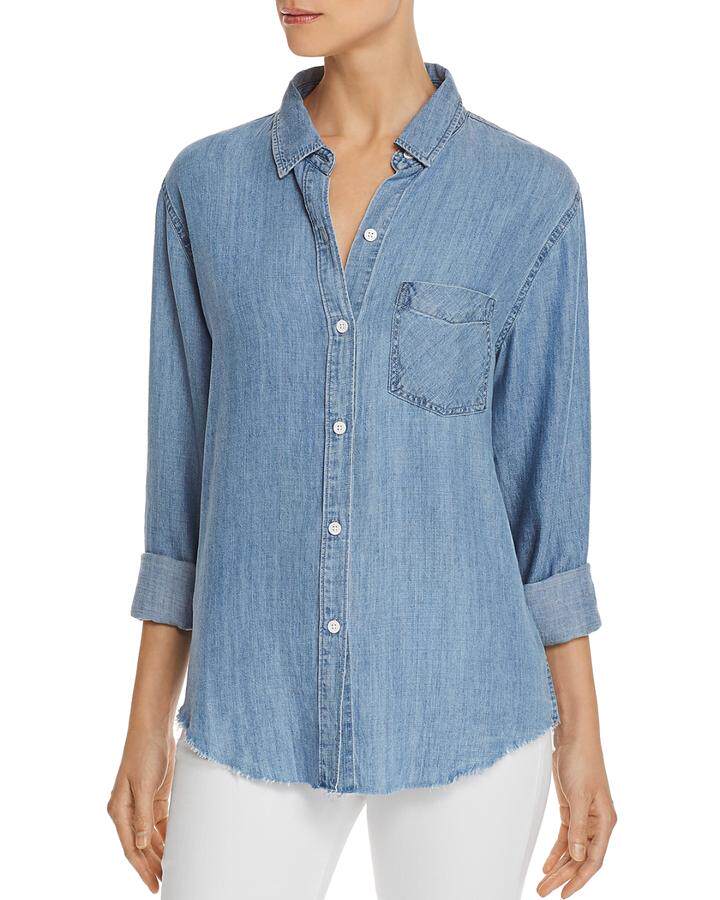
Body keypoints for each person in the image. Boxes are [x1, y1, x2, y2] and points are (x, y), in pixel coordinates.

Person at [107, 2, 617, 898]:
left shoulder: (528, 197)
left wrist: (582, 732)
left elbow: (544, 501)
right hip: (252, 705)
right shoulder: (206, 190)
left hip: (470, 711)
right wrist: (147, 723)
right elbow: (179, 494)